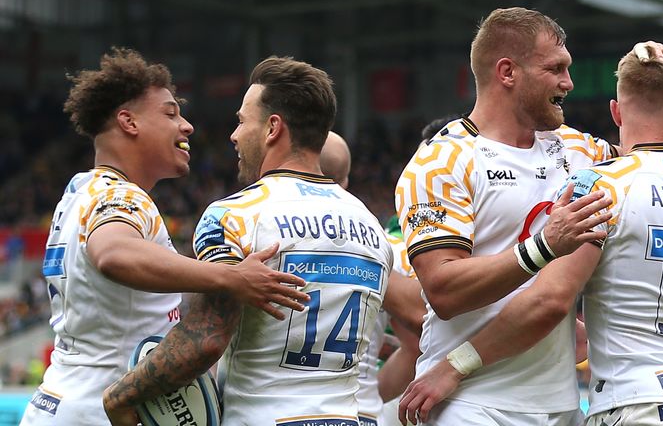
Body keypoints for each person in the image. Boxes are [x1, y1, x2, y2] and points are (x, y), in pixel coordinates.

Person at [402, 46, 663, 425]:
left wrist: (455, 366)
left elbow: (550, 300)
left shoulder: (602, 183)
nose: (568, 80)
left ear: (616, 111)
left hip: (640, 401)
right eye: (557, 68)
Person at [19, 48, 309, 426]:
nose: (186, 126)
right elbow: (114, 254)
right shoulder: (122, 196)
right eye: (170, 113)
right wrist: (232, 278)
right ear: (128, 122)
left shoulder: (79, 190)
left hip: (58, 399)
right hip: (99, 410)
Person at [103, 56, 393, 426]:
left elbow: (204, 339)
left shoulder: (235, 215)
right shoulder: (371, 227)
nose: (234, 135)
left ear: (273, 128)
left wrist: (120, 397)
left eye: (242, 121)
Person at [395, 7, 623, 425]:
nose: (568, 83)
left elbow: (653, 164)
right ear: (507, 72)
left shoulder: (583, 150)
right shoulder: (443, 161)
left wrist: (656, 74)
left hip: (562, 404)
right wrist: (544, 247)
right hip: (470, 404)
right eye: (555, 69)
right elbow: (444, 291)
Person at [320, 131, 424, 426]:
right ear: (346, 182)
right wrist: (371, 395)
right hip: (359, 411)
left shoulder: (259, 230)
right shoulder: (377, 244)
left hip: (277, 410)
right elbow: (417, 342)